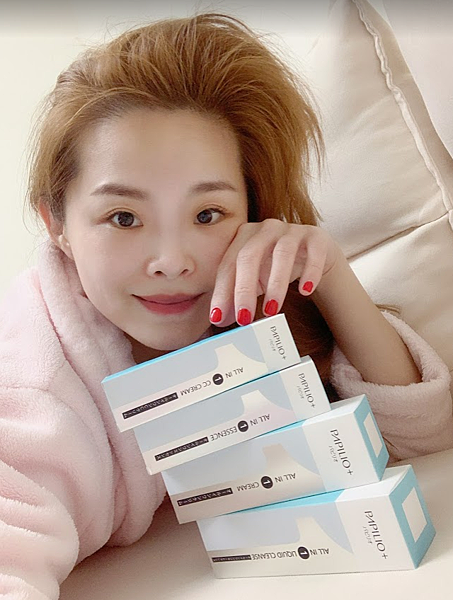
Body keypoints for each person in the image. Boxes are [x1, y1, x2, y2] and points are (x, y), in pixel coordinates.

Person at [1, 12, 452, 599]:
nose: (171, 261)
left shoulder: (247, 310)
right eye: (124, 217)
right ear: (57, 225)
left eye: (207, 214)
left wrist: (332, 276)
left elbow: (419, 434)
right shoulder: (33, 388)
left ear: (252, 213)